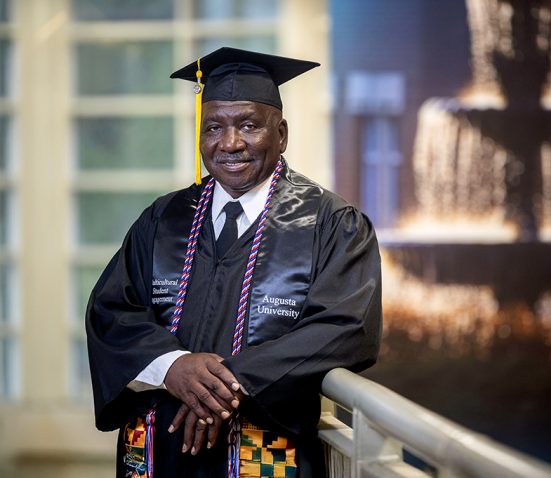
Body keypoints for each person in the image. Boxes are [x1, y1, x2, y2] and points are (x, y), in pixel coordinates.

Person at [85, 47, 382, 478]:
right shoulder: (164, 218)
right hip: (163, 449)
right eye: (213, 127)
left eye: (248, 125)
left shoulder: (330, 222)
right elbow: (111, 311)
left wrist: (229, 383)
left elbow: (347, 327)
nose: (230, 143)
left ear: (280, 133)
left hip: (266, 450)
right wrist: (172, 367)